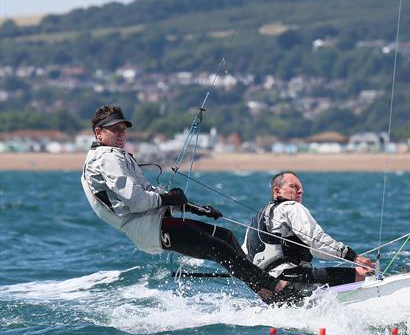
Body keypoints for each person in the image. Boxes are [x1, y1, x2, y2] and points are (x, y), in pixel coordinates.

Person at [80, 104, 285, 303]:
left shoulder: (111, 156)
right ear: (99, 133)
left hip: (154, 220)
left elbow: (148, 194)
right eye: (115, 129)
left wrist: (192, 207)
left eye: (123, 129)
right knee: (218, 249)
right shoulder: (107, 158)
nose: (122, 134)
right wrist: (167, 199)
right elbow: (136, 201)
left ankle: (264, 290)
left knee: (225, 237)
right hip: (147, 227)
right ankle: (276, 287)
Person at [244, 171, 375, 289]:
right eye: (294, 187)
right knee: (364, 274)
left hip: (267, 288)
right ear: (277, 191)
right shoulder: (290, 207)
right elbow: (317, 242)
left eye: (300, 188)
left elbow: (246, 256)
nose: (300, 191)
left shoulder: (255, 220)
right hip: (292, 280)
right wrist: (353, 257)